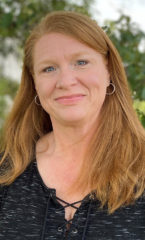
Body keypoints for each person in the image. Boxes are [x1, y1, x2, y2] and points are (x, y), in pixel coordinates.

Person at [0, 10, 145, 240]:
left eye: (81, 62)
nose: (66, 82)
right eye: (49, 68)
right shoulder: (6, 171)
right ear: (34, 83)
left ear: (108, 71)